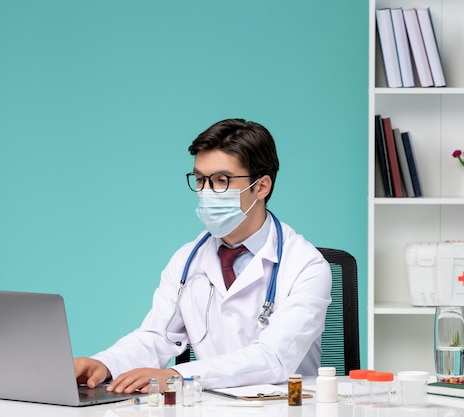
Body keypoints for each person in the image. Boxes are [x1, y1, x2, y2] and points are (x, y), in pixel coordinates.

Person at [74, 118, 331, 393]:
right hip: (211, 405)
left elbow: (274, 358)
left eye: (222, 180)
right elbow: (156, 336)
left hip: (284, 406)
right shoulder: (187, 259)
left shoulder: (307, 266)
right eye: (199, 179)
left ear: (261, 187)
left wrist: (175, 375)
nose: (206, 191)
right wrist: (104, 363)